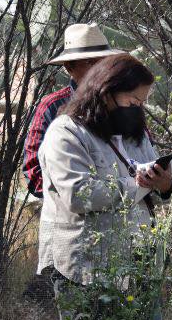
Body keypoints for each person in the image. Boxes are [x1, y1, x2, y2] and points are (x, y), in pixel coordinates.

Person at [36, 54, 172, 320]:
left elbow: (153, 178)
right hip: (81, 262)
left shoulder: (132, 131)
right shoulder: (66, 132)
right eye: (133, 101)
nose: (138, 109)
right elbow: (78, 194)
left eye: (143, 102)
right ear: (106, 93)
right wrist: (136, 187)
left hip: (135, 260)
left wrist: (163, 182)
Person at [22, 23, 123, 198]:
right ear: (69, 67)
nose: (100, 69)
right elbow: (34, 175)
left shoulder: (124, 103)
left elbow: (143, 154)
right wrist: (77, 194)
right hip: (70, 218)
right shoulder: (51, 106)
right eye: (90, 62)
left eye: (104, 61)